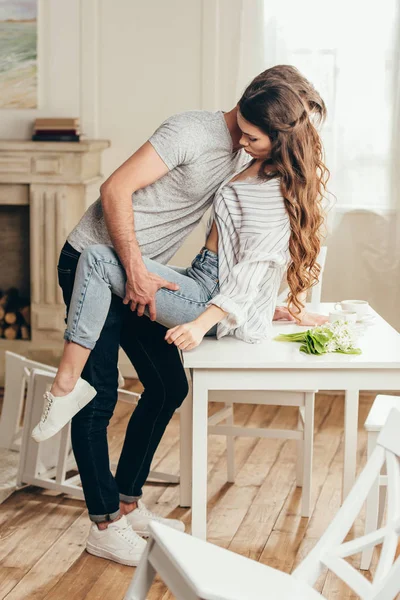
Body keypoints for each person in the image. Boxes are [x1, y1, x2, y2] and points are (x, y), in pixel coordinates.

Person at [32, 65, 329, 568]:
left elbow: (248, 245)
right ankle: (104, 524)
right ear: (256, 110)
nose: (268, 145)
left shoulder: (247, 146)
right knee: (99, 392)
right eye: (268, 134)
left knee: (169, 386)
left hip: (136, 277)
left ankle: (127, 502)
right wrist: (135, 270)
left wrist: (253, 302)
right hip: (94, 261)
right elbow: (115, 190)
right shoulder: (191, 131)